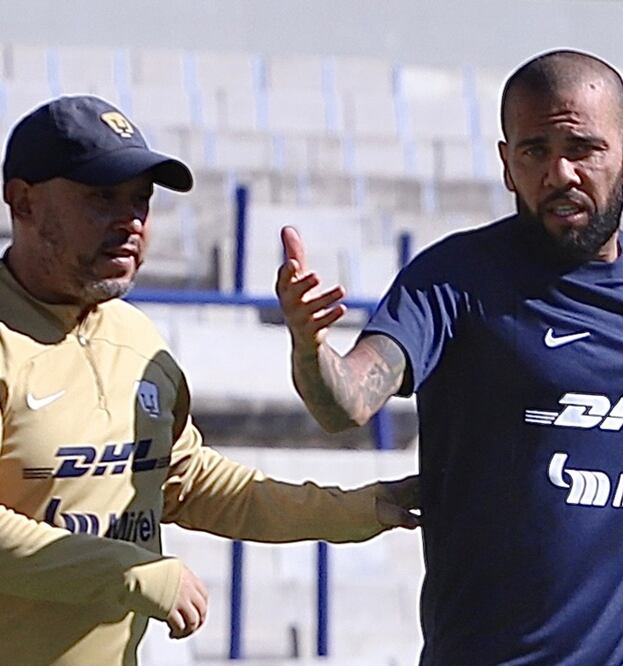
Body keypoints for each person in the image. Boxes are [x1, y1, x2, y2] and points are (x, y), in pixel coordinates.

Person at [277, 50, 623, 664]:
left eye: (582, 148)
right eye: (535, 151)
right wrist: (311, 349)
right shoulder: (454, 280)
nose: (560, 173)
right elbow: (348, 402)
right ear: (506, 163)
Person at [0, 94, 422, 666]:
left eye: (141, 202)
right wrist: (123, 571)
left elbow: (191, 483)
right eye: (101, 198)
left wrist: (358, 510)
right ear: (22, 202)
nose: (130, 223)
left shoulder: (138, 341)